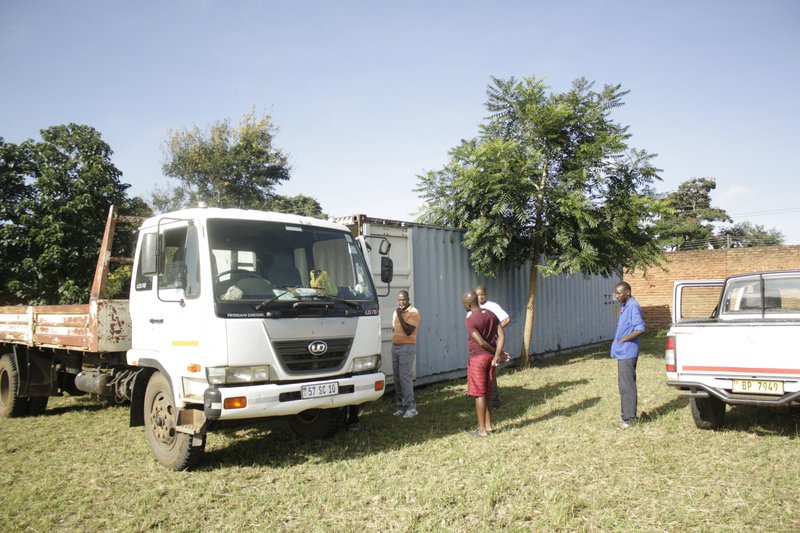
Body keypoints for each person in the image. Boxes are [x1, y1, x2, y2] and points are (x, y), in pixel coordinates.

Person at [462, 291, 505, 437]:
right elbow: (501, 335)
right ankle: (489, 426)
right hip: (490, 359)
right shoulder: (491, 314)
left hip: (477, 359)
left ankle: (481, 430)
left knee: (479, 394)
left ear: (468, 304)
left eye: (463, 304)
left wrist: (497, 353)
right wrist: (498, 354)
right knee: (488, 392)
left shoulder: (470, 320)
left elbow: (481, 342)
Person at [611, 281, 646, 429]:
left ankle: (630, 419)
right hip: (622, 351)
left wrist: (623, 340)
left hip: (628, 351)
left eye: (619, 293)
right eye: (616, 293)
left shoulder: (632, 306)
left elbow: (640, 328)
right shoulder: (625, 306)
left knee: (627, 385)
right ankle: (626, 416)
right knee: (623, 385)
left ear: (628, 293)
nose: (617, 296)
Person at [474, 284, 510, 409]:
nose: (480, 297)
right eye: (477, 295)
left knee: (491, 373)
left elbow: (506, 319)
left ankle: (494, 402)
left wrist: (495, 331)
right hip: (478, 346)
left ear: (486, 294)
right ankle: (483, 399)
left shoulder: (492, 307)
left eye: (482, 294)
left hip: (491, 344)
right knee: (480, 374)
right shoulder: (473, 307)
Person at [392, 290, 421, 418]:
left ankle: (411, 407)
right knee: (397, 377)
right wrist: (398, 314)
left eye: (404, 299)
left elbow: (408, 331)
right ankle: (400, 407)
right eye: (399, 300)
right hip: (396, 347)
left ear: (408, 299)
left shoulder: (414, 312)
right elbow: (394, 329)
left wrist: (400, 315)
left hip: (407, 348)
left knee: (405, 377)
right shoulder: (396, 312)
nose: (401, 302)